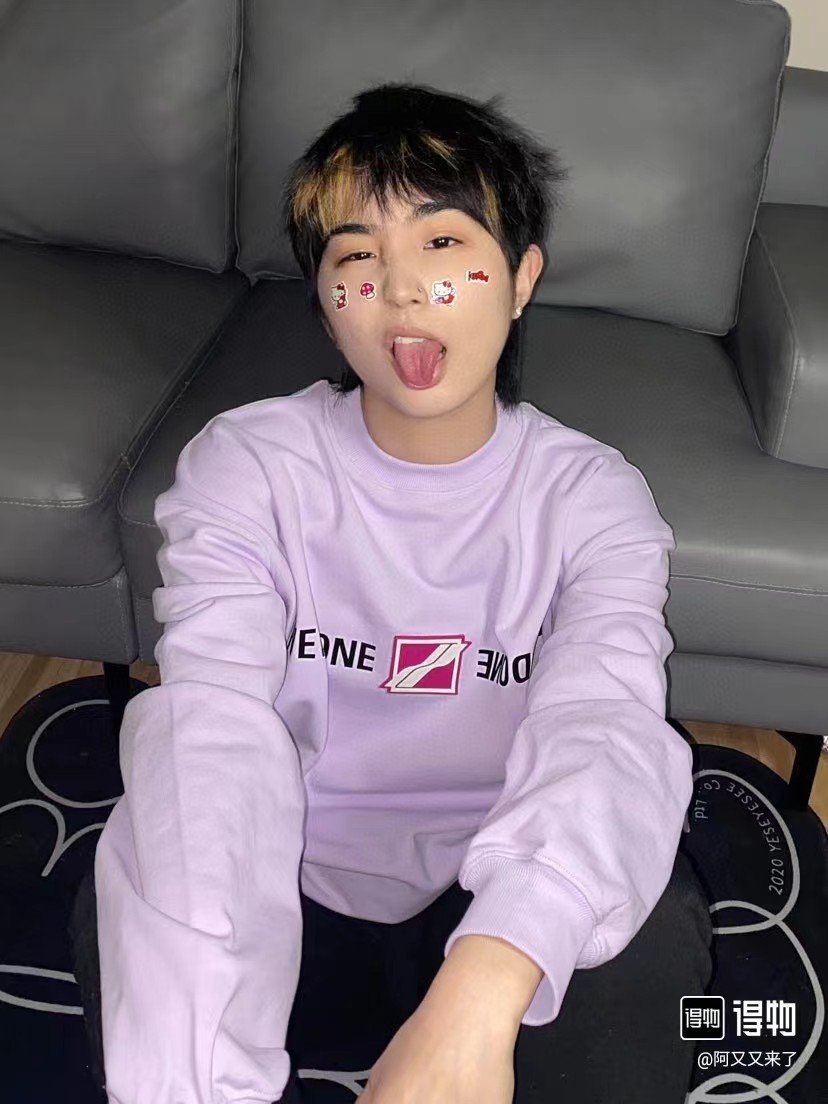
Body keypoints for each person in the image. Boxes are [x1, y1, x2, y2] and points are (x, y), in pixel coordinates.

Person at [69, 81, 714, 1104]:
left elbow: (604, 722)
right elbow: (212, 733)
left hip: (487, 902)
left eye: (444, 244)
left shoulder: (592, 498)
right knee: (131, 912)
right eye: (357, 259)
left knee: (650, 938)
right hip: (293, 889)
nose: (403, 290)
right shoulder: (250, 467)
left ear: (522, 277)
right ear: (326, 304)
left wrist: (490, 978)